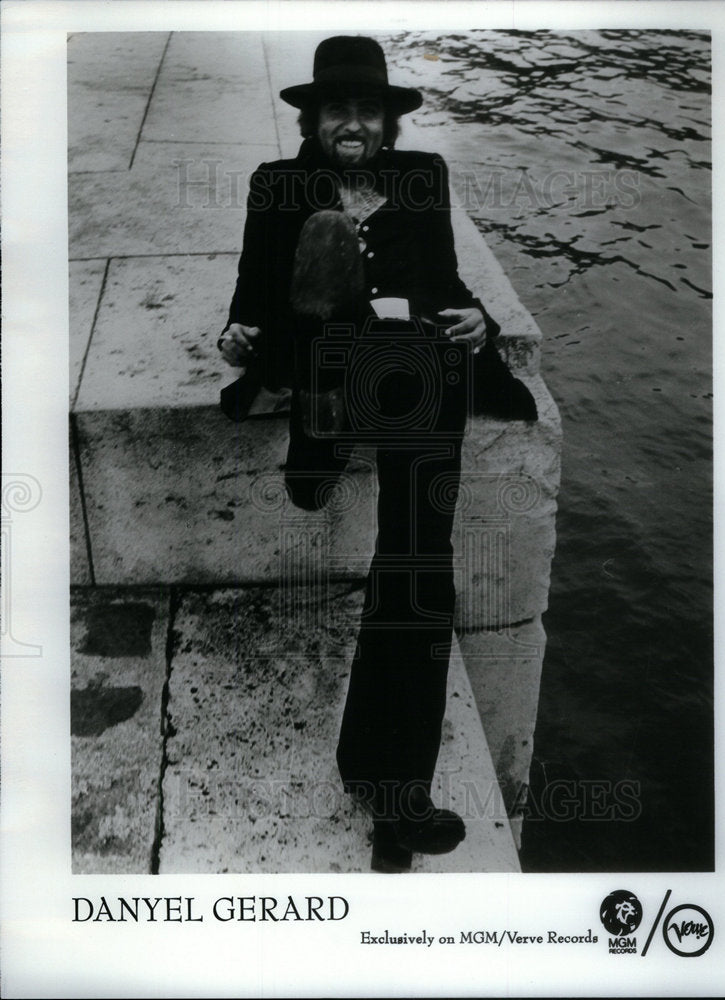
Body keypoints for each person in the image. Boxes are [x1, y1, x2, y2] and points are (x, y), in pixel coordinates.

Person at [218, 35, 536, 872]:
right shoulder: (278, 184)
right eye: (337, 112)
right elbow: (253, 286)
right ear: (314, 120)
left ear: (387, 122)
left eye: (367, 112)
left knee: (418, 570)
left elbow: (445, 281)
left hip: (414, 375)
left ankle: (395, 793)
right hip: (315, 355)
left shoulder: (420, 176)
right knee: (322, 269)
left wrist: (480, 323)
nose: (352, 124)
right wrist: (238, 332)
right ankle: (320, 416)